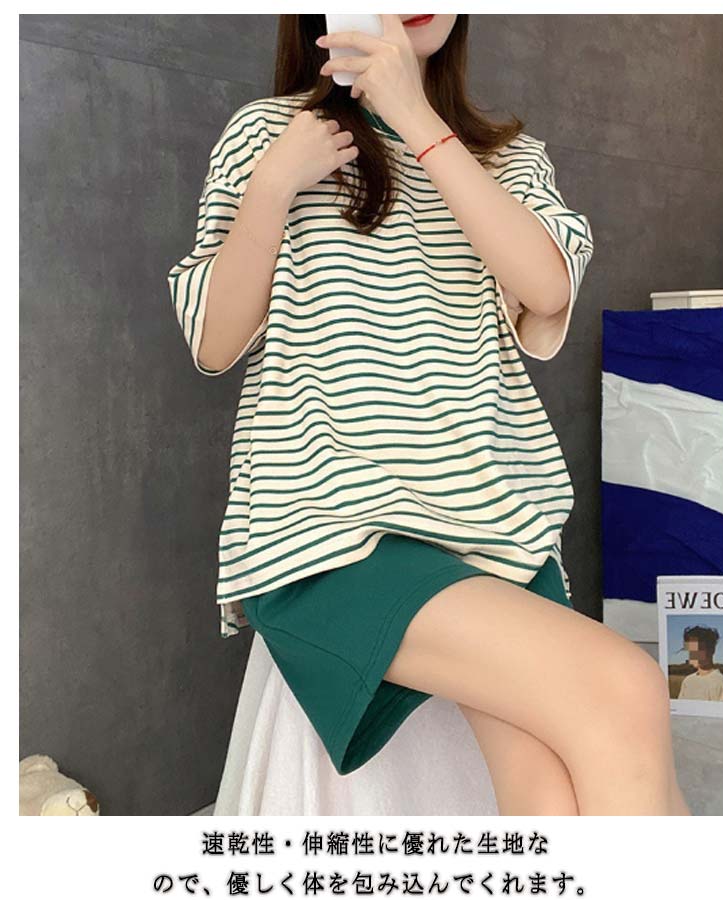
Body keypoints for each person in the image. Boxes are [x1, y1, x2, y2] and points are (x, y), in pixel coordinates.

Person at [167, 13, 690, 815]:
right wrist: (273, 184)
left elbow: (547, 288)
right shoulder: (269, 134)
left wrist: (415, 116)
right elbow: (214, 339)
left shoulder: (508, 157)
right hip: (331, 531)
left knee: (551, 792)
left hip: (497, 528)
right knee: (626, 686)